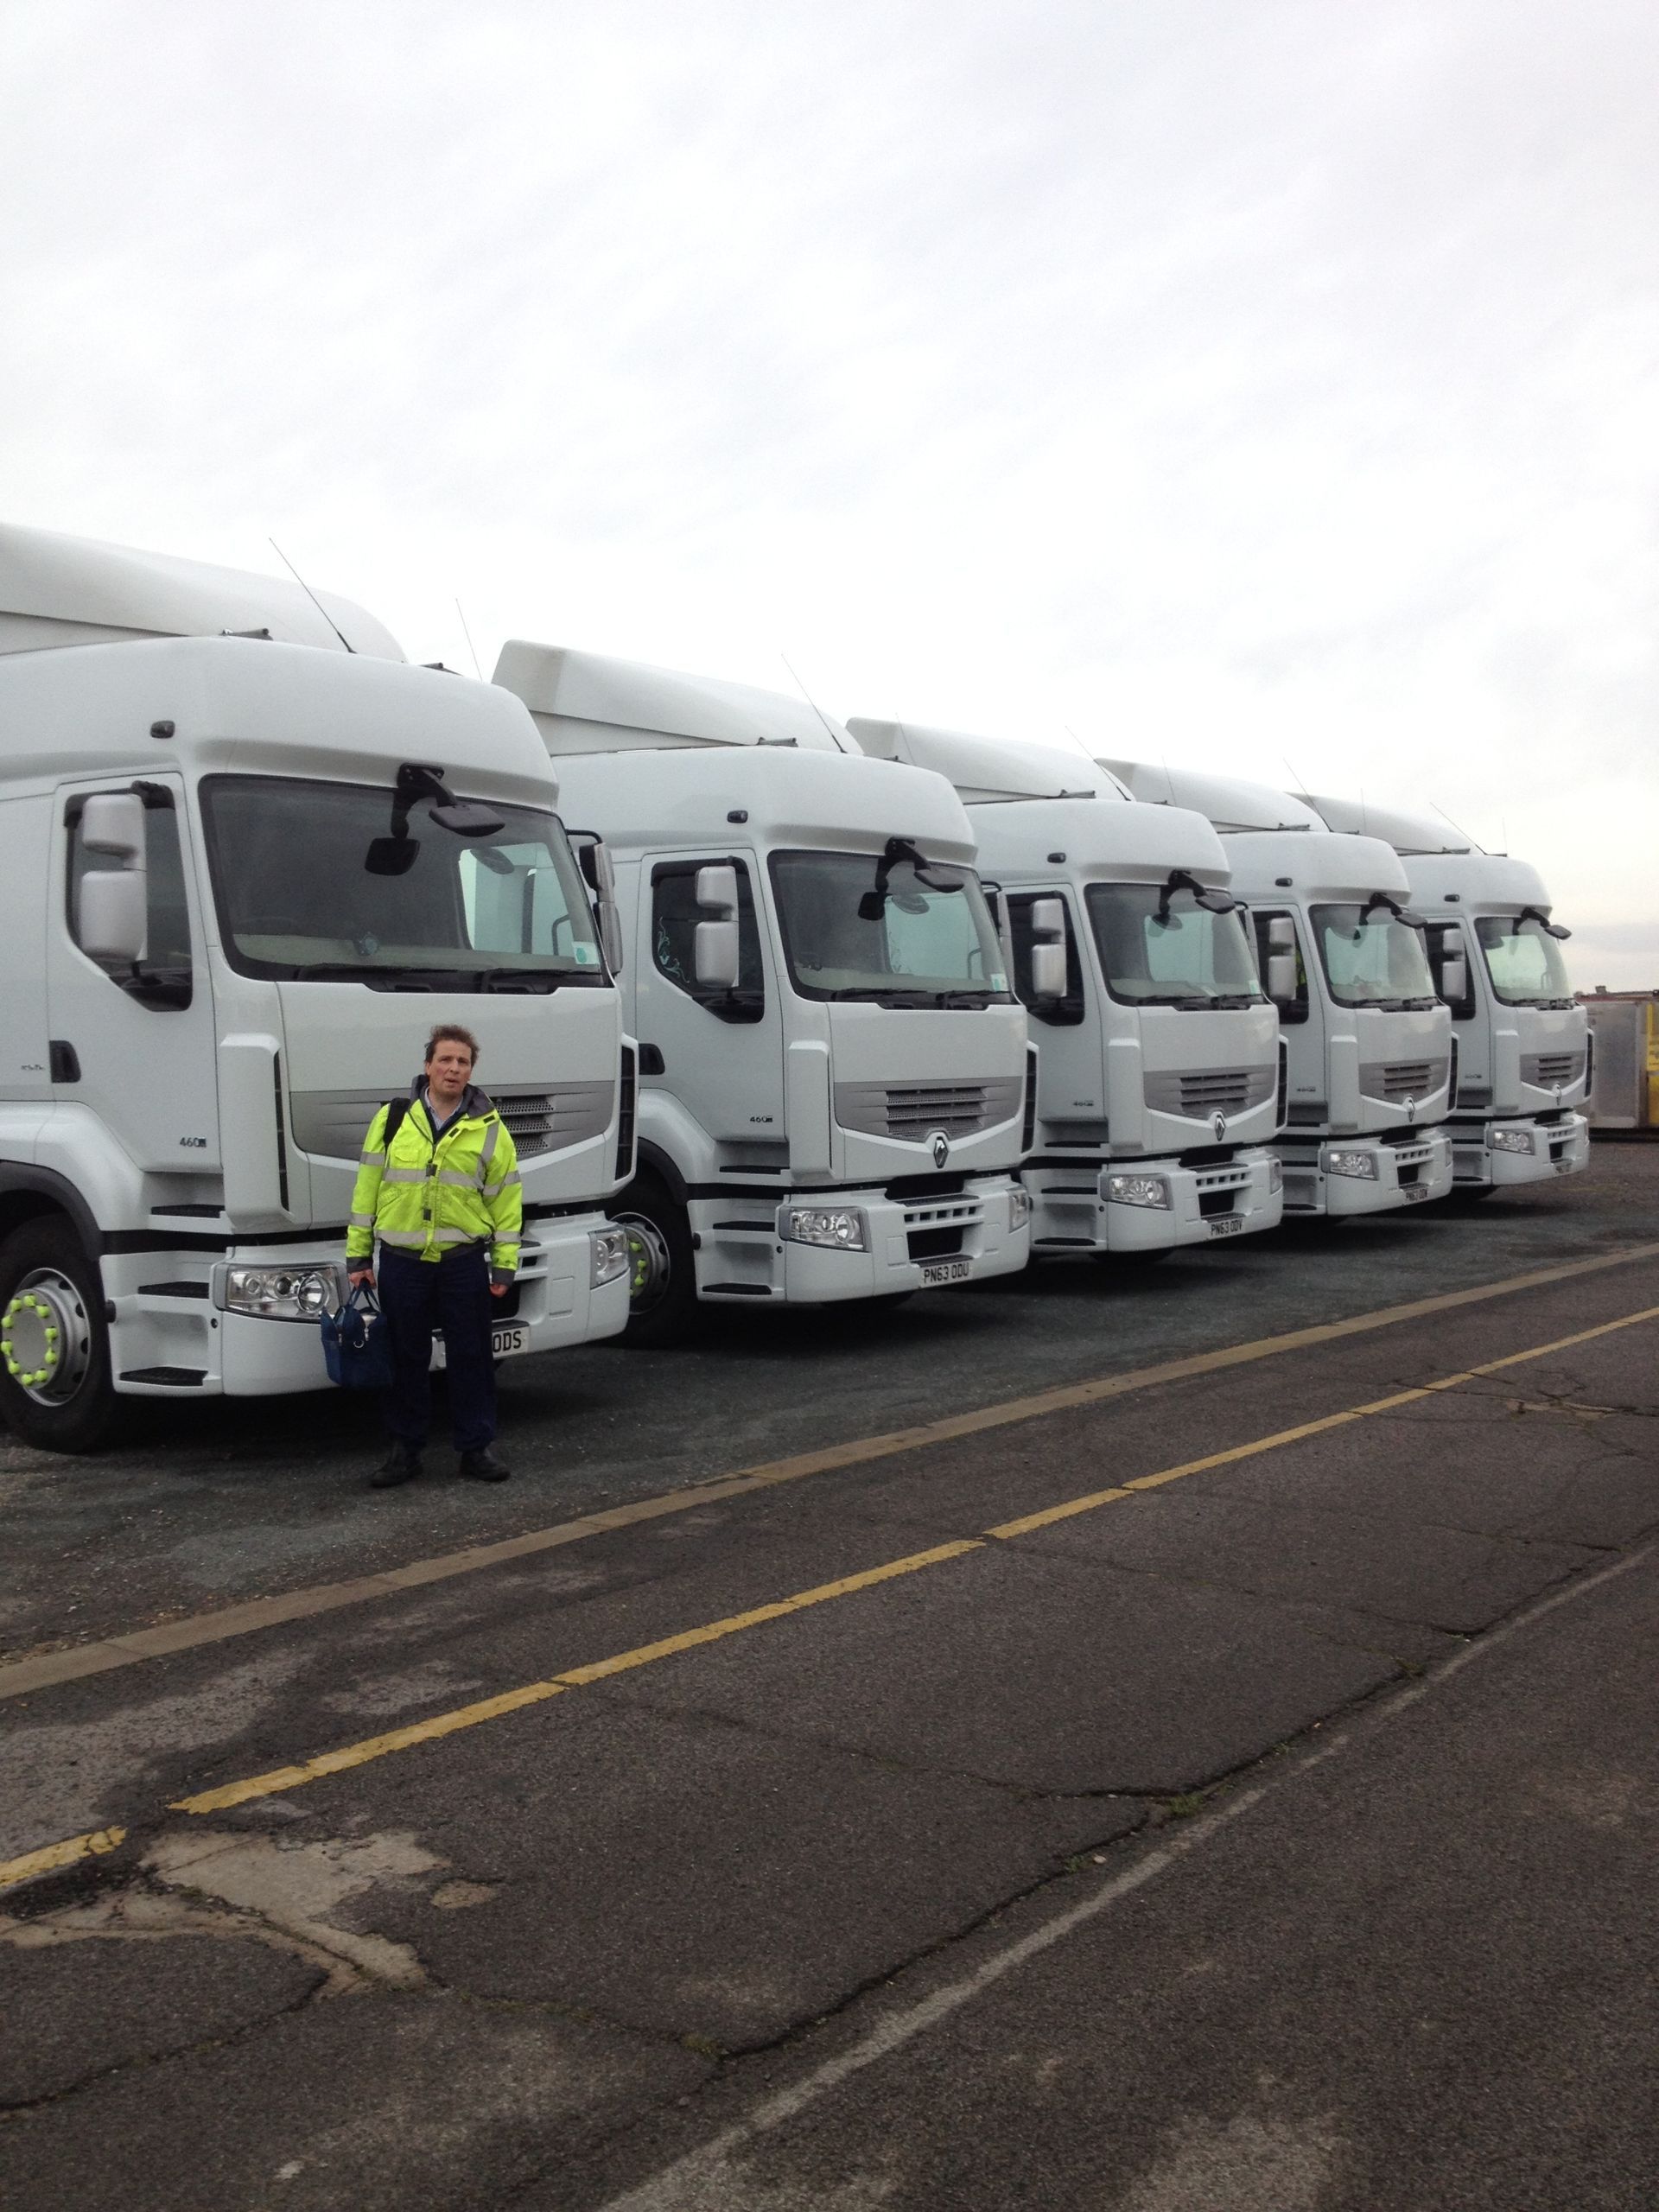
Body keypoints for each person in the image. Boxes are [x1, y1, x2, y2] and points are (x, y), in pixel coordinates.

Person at [346, 1026, 520, 1489]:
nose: (453, 1069)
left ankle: (475, 1449)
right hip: (402, 1262)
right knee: (406, 1358)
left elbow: (505, 1200)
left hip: (462, 1260)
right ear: (428, 1066)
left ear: (471, 1071)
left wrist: (505, 1262)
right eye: (445, 1060)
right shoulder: (392, 1119)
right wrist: (358, 1257)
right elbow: (367, 1191)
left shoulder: (489, 1127)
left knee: (472, 1356)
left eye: (462, 1062)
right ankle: (405, 1451)